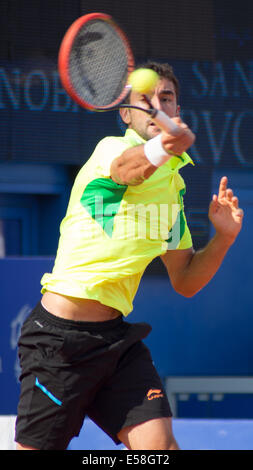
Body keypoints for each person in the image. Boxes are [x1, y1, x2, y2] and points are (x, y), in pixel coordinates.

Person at [15, 62, 243, 450]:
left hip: (115, 342)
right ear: (126, 113)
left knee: (160, 449)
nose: (157, 105)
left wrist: (223, 238)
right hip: (58, 340)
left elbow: (185, 280)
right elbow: (128, 170)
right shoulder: (113, 150)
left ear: (177, 112)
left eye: (165, 98)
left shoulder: (174, 191)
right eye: (145, 99)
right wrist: (164, 146)